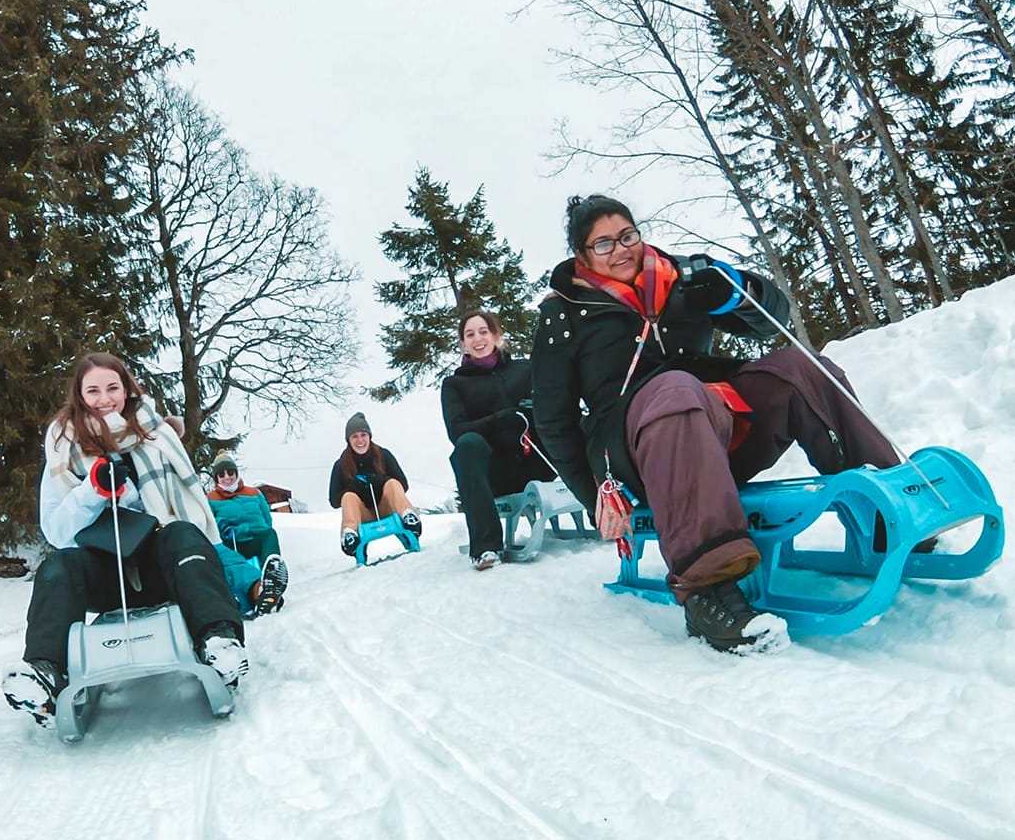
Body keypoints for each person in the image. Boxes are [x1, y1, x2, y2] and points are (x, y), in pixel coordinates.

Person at [531, 194, 902, 654]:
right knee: (676, 390)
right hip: (634, 450)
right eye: (603, 243)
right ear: (582, 255)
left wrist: (738, 290)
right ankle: (707, 590)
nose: (621, 249)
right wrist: (596, 500)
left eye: (627, 235)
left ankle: (889, 506)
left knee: (801, 367)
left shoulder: (684, 278)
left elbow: (772, 322)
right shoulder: (562, 315)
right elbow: (553, 419)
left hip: (717, 424)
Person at [2, 352, 248, 727]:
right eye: (93, 390)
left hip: (162, 567)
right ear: (79, 395)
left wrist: (131, 494)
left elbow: (187, 512)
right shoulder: (62, 444)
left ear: (127, 389)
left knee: (183, 533)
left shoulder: (159, 434)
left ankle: (218, 641)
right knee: (59, 565)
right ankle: (44, 671)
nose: (104, 399)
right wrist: (93, 491)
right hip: (104, 572)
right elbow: (55, 530)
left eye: (112, 388)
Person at [440, 309, 556, 571]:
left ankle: (608, 514)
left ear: (496, 335)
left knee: (579, 423)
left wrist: (534, 409)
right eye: (469, 334)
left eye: (483, 331)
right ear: (462, 344)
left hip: (535, 460)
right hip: (494, 473)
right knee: (467, 444)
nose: (477, 339)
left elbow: (555, 402)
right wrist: (497, 419)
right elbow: (456, 430)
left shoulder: (525, 369)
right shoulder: (455, 384)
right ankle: (485, 547)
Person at [328, 413, 422, 556]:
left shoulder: (383, 455)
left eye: (363, 435)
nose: (360, 440)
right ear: (348, 440)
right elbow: (334, 501)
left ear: (369, 436)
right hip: (362, 515)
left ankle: (408, 517)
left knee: (392, 483)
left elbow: (403, 484)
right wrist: (353, 488)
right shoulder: (341, 465)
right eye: (355, 436)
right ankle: (350, 535)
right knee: (348, 497)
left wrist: (381, 480)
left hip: (387, 507)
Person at [207, 455, 289, 615]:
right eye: (221, 474)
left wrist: (260, 529)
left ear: (236, 473)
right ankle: (252, 592)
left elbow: (267, 517)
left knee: (269, 533)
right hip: (232, 543)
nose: (227, 477)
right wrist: (222, 525)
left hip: (256, 539)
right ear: (217, 478)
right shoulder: (211, 499)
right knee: (220, 551)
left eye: (230, 472)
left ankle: (272, 572)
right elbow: (209, 523)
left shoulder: (254, 493)